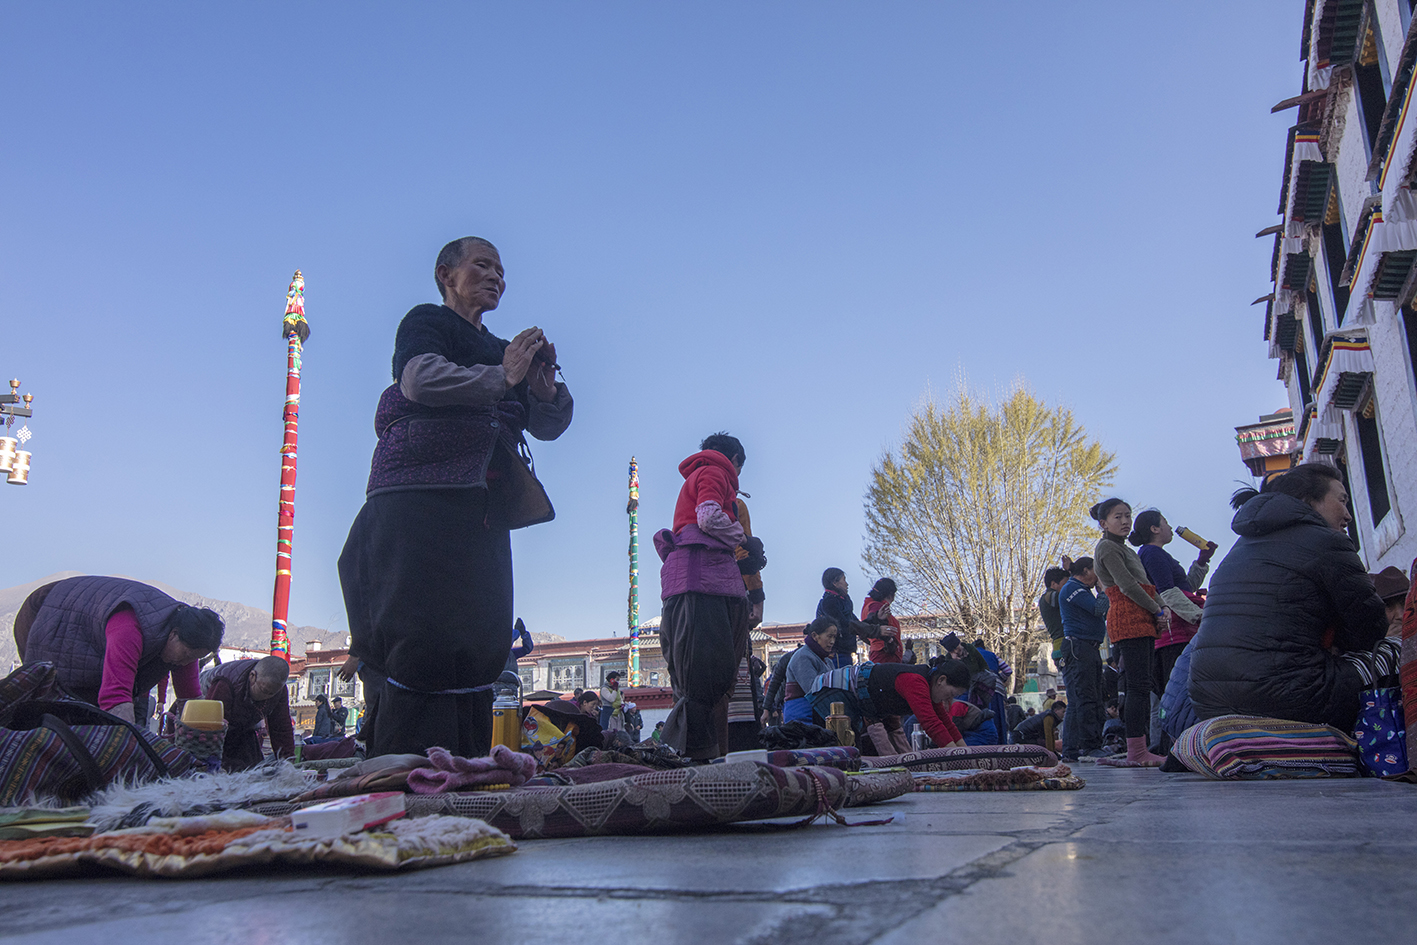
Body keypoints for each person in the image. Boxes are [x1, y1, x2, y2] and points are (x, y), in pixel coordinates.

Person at [337, 237, 573, 759]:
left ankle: (465, 767)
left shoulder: (503, 349)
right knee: (421, 634)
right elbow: (419, 381)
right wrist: (504, 376)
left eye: (501, 271)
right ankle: (407, 767)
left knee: (483, 635)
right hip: (418, 496)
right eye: (482, 265)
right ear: (446, 274)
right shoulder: (427, 321)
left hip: (481, 504)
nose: (496, 277)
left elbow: (546, 425)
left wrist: (541, 383)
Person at [1189, 464, 1392, 731]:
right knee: (1397, 651)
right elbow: (1370, 629)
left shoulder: (1238, 550)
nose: (1348, 515)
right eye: (1342, 501)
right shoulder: (1327, 542)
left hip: (1208, 703)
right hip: (1289, 697)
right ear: (1309, 501)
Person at [655, 433, 752, 760]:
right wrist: (742, 538)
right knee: (705, 680)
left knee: (701, 680)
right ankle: (699, 762)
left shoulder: (699, 475)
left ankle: (699, 759)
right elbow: (708, 517)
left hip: (697, 583)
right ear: (735, 459)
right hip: (702, 586)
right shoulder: (714, 471)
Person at [15, 576, 224, 723]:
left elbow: (190, 701)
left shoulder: (188, 642)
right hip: (48, 612)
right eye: (186, 655)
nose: (186, 663)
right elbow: (116, 699)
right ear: (173, 634)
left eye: (193, 659)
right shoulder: (130, 626)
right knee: (52, 713)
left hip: (89, 625)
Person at [1090, 497, 1168, 767]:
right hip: (1127, 617)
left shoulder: (1125, 549)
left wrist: (1161, 607)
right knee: (1136, 687)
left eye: (1127, 515)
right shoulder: (1107, 548)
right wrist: (1157, 610)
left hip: (1141, 616)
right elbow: (1127, 585)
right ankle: (1137, 751)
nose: (1125, 521)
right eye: (1118, 517)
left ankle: (1141, 749)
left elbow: (1145, 584)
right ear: (1103, 523)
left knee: (1143, 686)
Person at [1130, 509, 1215, 750]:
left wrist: (1201, 562)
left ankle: (1172, 746)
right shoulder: (1153, 553)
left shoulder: (1156, 554)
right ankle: (1176, 747)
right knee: (1176, 694)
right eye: (1165, 523)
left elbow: (1184, 588)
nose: (1169, 527)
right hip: (1174, 633)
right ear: (1155, 529)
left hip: (1175, 632)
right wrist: (1199, 617)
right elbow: (1168, 592)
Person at [808, 658, 971, 752]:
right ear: (941, 680)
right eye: (950, 694)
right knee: (846, 747)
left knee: (854, 747)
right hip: (832, 690)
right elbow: (931, 724)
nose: (948, 700)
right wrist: (956, 757)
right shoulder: (915, 682)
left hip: (857, 695)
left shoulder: (932, 686)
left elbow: (946, 723)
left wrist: (967, 754)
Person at [200, 656, 295, 770]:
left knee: (255, 770)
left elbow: (281, 727)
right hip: (208, 726)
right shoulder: (224, 684)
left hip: (244, 728)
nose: (266, 697)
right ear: (252, 676)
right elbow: (212, 729)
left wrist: (287, 762)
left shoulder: (279, 690)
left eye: (271, 694)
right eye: (264, 691)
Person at [1058, 556, 1109, 761]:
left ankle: (1076, 748)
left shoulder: (1081, 589)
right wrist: (1103, 589)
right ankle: (1087, 746)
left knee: (1090, 697)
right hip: (1079, 647)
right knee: (1084, 698)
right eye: (1096, 571)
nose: (1098, 576)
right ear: (1086, 571)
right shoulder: (1073, 588)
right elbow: (1099, 609)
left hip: (1088, 647)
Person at [784, 618, 838, 723]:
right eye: (829, 636)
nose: (832, 641)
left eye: (834, 637)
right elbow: (812, 691)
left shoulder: (827, 660)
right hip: (801, 714)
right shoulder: (803, 657)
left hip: (819, 713)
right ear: (815, 636)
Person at [817, 569, 863, 669]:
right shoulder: (829, 603)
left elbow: (856, 624)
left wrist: (873, 625)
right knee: (840, 678)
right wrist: (874, 631)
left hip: (845, 651)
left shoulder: (843, 602)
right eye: (844, 580)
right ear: (835, 583)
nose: (847, 584)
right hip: (836, 652)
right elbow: (846, 625)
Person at [862, 578, 904, 663]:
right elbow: (869, 624)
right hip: (884, 653)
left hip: (880, 651)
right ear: (891, 594)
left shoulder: (869, 605)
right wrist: (889, 641)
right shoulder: (877, 607)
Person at [1039, 567, 1070, 670]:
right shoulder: (1050, 596)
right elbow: (1067, 597)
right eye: (1065, 584)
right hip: (1064, 646)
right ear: (1053, 584)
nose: (1068, 587)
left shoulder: (1048, 597)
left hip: (1061, 647)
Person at [762, 647, 794, 726]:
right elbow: (770, 692)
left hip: (780, 707)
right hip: (778, 707)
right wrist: (772, 710)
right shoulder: (769, 682)